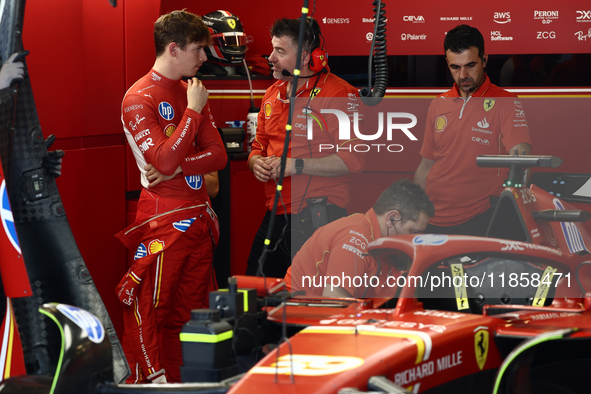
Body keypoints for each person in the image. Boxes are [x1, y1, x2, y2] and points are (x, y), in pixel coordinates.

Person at [115, 10, 227, 384]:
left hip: (199, 219)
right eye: (199, 49)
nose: (205, 58)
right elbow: (161, 158)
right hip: (163, 220)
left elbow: (219, 156)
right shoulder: (138, 96)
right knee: (150, 310)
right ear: (174, 48)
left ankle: (184, 385)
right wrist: (193, 112)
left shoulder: (190, 89)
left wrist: (180, 167)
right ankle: (151, 385)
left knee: (190, 313)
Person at [246, 17, 365, 278]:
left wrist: (295, 165)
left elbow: (353, 160)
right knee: (254, 289)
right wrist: (257, 164)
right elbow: (257, 147)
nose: (271, 58)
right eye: (272, 49)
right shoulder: (272, 93)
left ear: (304, 57)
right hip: (276, 212)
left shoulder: (340, 94)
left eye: (280, 51)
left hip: (319, 213)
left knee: (312, 297)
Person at [414, 24, 531, 236]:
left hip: (481, 217)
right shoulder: (437, 104)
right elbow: (426, 165)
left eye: (470, 65)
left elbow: (521, 160)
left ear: (484, 60)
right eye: (455, 67)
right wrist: (412, 209)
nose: (463, 75)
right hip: (431, 218)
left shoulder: (506, 102)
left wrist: (511, 210)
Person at [286, 179, 434, 298]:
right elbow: (334, 304)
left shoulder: (386, 244)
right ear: (392, 218)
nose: (416, 239)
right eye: (413, 231)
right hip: (298, 314)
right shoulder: (355, 238)